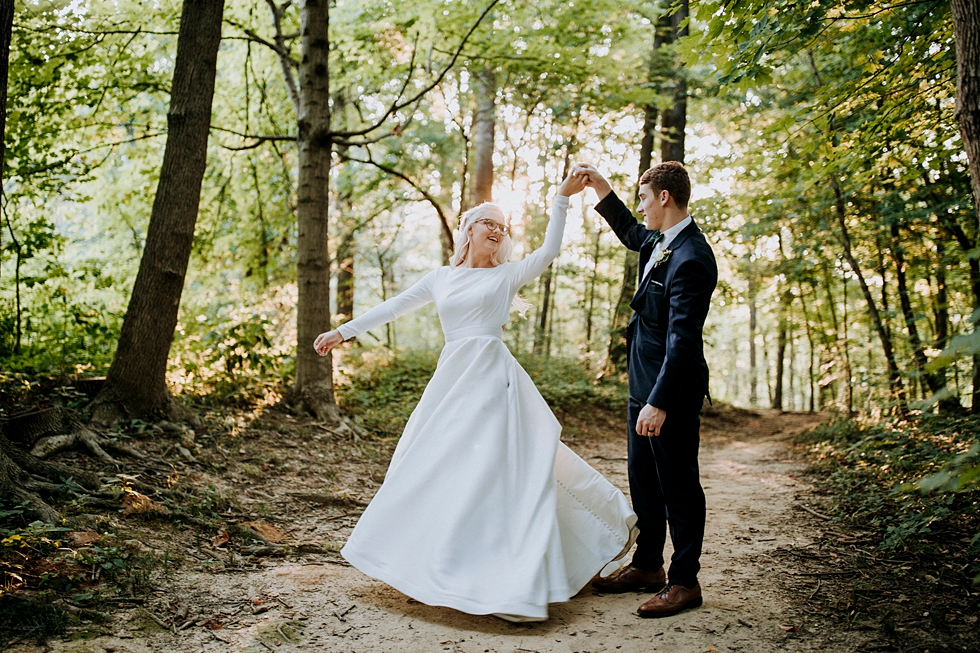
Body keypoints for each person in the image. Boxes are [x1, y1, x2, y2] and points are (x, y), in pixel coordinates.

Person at [313, 172, 637, 623]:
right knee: (439, 466)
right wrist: (342, 331)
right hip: (453, 381)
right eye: (491, 221)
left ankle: (513, 582)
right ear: (470, 229)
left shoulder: (508, 276)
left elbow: (549, 251)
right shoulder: (441, 278)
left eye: (503, 226)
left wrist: (560, 199)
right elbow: (394, 307)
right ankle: (439, 563)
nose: (498, 229)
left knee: (501, 473)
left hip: (495, 382)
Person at [574, 161, 717, 618]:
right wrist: (601, 189)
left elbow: (683, 342)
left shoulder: (693, 258)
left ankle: (684, 581)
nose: (640, 207)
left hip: (668, 392)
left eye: (643, 197)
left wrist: (658, 402)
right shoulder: (659, 240)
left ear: (664, 198)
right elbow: (631, 232)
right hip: (643, 383)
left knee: (678, 485)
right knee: (644, 480)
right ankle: (648, 565)